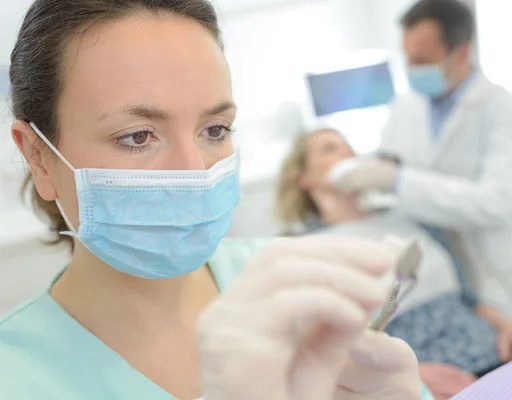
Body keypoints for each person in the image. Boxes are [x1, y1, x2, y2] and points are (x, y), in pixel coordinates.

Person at [0, 1, 425, 399]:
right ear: (38, 157)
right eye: (138, 136)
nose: (194, 171)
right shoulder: (14, 375)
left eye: (215, 130)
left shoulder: (298, 283)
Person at [277, 128, 512, 399]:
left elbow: (466, 295)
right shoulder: (307, 250)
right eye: (329, 148)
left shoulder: (407, 218)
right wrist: (403, 378)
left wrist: (509, 325)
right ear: (304, 178)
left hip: (495, 349)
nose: (347, 153)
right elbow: (318, 353)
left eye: (348, 146)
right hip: (423, 377)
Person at [332, 0, 512, 323]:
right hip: (427, 272)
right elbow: (389, 159)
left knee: (500, 354)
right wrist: (365, 171)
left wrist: (399, 180)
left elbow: (500, 202)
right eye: (408, 59)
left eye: (423, 60)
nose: (412, 69)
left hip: (485, 273)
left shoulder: (506, 111)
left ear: (461, 52)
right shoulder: (406, 106)